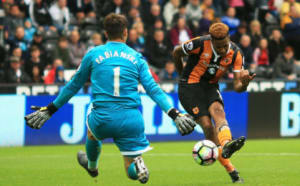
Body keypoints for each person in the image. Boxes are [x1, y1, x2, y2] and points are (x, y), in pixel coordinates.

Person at [24, 13, 196, 184]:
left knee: (92, 127)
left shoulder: (93, 54)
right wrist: (174, 114)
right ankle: (137, 165)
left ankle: (92, 166)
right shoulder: (136, 57)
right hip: (131, 120)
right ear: (126, 32)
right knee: (130, 172)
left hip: (102, 119)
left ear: (106, 33)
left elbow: (73, 86)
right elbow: (154, 90)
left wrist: (50, 109)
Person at [172, 22, 256, 183]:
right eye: (219, 47)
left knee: (219, 113)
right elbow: (176, 52)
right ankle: (231, 170)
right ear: (211, 40)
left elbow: (238, 87)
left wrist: (245, 82)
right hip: (190, 86)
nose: (223, 50)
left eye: (225, 46)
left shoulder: (236, 52)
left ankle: (226, 145)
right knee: (208, 126)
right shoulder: (199, 43)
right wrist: (181, 74)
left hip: (210, 86)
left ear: (229, 38)